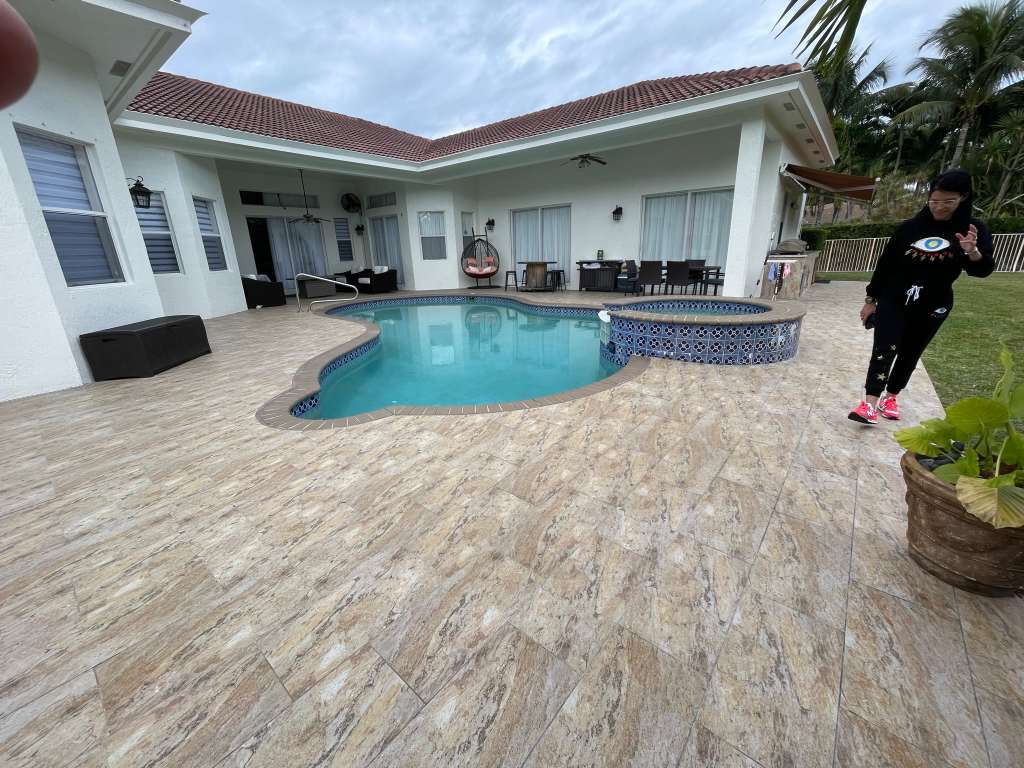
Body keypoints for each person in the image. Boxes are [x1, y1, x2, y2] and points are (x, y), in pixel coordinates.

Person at [849, 170, 994, 425]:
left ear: (963, 198)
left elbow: (982, 271)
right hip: (895, 299)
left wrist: (972, 252)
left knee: (911, 352)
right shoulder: (910, 228)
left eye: (948, 202)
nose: (939, 207)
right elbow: (885, 265)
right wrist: (871, 300)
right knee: (884, 348)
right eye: (934, 201)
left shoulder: (973, 230)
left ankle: (891, 396)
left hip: (934, 304)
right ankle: (869, 403)